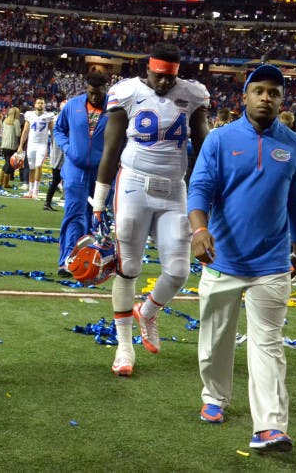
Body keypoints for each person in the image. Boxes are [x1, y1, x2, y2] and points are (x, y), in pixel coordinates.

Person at [188, 64, 296, 453]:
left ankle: (270, 427)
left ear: (282, 99)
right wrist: (199, 229)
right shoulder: (220, 140)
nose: (266, 98)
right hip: (221, 258)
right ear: (245, 96)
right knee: (214, 341)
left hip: (272, 264)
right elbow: (201, 187)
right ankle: (215, 395)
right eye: (259, 91)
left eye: (274, 92)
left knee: (268, 343)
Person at [90, 44, 210, 377]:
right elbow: (112, 147)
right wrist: (99, 198)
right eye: (159, 76)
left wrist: (205, 194)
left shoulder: (192, 94)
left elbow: (204, 147)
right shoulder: (126, 91)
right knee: (128, 266)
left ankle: (149, 310)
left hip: (173, 190)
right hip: (133, 185)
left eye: (170, 77)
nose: (164, 84)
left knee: (178, 270)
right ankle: (124, 346)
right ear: (149, 69)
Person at [53, 70, 109, 276]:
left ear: (106, 89)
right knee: (74, 213)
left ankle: (88, 261)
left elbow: (123, 138)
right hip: (75, 169)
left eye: (98, 93)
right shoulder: (73, 105)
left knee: (95, 216)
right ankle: (68, 260)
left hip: (101, 172)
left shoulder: (115, 109)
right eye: (91, 92)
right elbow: (58, 129)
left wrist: (114, 158)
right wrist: (69, 149)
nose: (94, 97)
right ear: (86, 88)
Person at [18, 98, 56, 199]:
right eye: (38, 103)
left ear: (44, 105)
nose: (40, 104)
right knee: (31, 168)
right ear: (35, 105)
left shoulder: (49, 116)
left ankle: (36, 191)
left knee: (39, 165)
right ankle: (30, 191)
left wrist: (54, 145)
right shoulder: (29, 115)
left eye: (42, 103)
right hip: (31, 144)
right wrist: (21, 145)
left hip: (42, 145)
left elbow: (52, 132)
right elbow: (25, 131)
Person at [0, 106, 22, 190]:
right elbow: (18, 134)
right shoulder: (16, 122)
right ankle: (5, 183)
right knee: (9, 164)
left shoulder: (5, 121)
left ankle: (0, 182)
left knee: (6, 162)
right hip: (12, 145)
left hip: (4, 145)